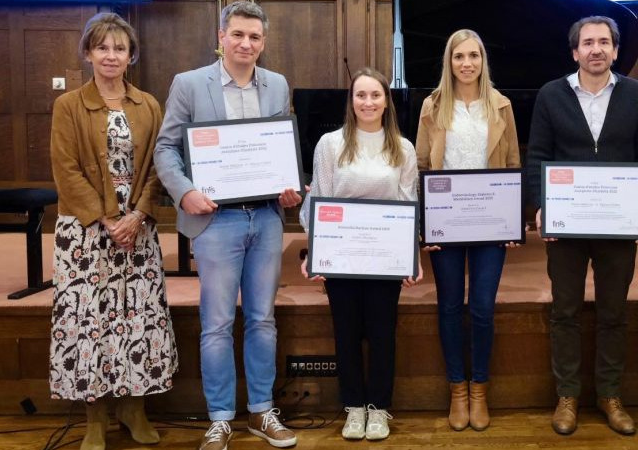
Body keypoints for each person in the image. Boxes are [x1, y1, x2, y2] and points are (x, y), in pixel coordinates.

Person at [153, 2, 301, 449]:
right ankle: (219, 416)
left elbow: (280, 150)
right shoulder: (189, 84)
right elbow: (165, 149)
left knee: (262, 320)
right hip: (215, 220)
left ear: (264, 42)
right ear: (221, 37)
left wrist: (289, 187)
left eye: (255, 37)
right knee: (216, 323)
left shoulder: (276, 85)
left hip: (266, 219)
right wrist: (185, 192)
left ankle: (260, 411)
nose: (246, 44)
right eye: (237, 35)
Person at [48, 12, 178, 450]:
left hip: (137, 231)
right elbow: (65, 170)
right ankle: (95, 418)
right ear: (88, 53)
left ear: (131, 55)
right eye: (102, 47)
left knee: (137, 321)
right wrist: (107, 219)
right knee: (90, 323)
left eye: (119, 48)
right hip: (85, 234)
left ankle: (134, 410)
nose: (111, 55)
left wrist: (137, 216)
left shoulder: (149, 105)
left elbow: (160, 167)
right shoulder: (68, 106)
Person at [526, 16, 638, 436]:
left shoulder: (637, 95)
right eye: (588, 43)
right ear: (575, 51)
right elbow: (537, 156)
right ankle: (567, 395)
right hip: (566, 225)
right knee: (564, 312)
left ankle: (609, 394)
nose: (596, 49)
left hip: (618, 225)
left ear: (616, 51)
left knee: (613, 312)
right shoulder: (551, 94)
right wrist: (541, 205)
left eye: (604, 42)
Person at [299, 67, 422, 441]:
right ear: (351, 101)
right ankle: (353, 407)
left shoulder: (403, 147)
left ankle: (379, 408)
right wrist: (314, 253)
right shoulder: (330, 144)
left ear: (386, 101)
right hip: (343, 255)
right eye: (360, 95)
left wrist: (411, 255)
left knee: (383, 334)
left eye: (375, 95)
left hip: (385, 257)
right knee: (346, 333)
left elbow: (409, 202)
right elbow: (317, 198)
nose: (368, 102)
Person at [415, 29, 521, 432]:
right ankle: (456, 389)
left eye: (473, 55)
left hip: (491, 223)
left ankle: (480, 389)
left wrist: (512, 219)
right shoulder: (432, 106)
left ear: (482, 60)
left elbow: (512, 162)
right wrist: (427, 225)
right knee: (448, 307)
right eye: (459, 56)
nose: (467, 63)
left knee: (481, 308)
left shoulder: (501, 106)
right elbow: (423, 166)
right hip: (447, 222)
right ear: (449, 61)